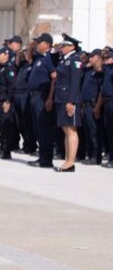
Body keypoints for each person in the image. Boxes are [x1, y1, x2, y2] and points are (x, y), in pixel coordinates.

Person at [52, 34, 84, 172]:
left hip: (69, 99)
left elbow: (75, 83)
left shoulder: (75, 60)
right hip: (61, 98)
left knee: (71, 130)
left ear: (72, 47)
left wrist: (71, 101)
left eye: (64, 45)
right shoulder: (64, 60)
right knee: (66, 130)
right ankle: (67, 160)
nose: (62, 47)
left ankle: (70, 162)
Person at [26, 34, 58, 168]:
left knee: (44, 128)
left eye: (39, 42)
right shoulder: (40, 58)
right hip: (34, 96)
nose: (37, 45)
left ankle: (46, 159)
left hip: (43, 96)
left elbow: (54, 78)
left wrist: (50, 98)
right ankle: (42, 156)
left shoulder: (50, 58)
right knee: (38, 128)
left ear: (46, 44)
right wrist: (31, 46)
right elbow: (28, 57)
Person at [0, 47, 18, 160]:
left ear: (6, 55)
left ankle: (6, 151)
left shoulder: (9, 68)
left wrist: (8, 101)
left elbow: (12, 86)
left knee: (6, 126)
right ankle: (2, 148)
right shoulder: (0, 68)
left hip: (4, 101)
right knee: (0, 126)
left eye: (0, 54)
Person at [13, 46, 37, 155]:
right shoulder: (23, 65)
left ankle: (31, 146)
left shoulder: (33, 65)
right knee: (20, 122)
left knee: (27, 122)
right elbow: (17, 62)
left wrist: (30, 50)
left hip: (25, 94)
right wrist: (19, 53)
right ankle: (26, 144)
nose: (25, 54)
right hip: (17, 94)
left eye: (26, 52)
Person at [100, 48, 113, 168]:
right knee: (108, 131)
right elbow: (98, 67)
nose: (106, 60)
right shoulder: (107, 68)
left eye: (108, 58)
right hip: (107, 102)